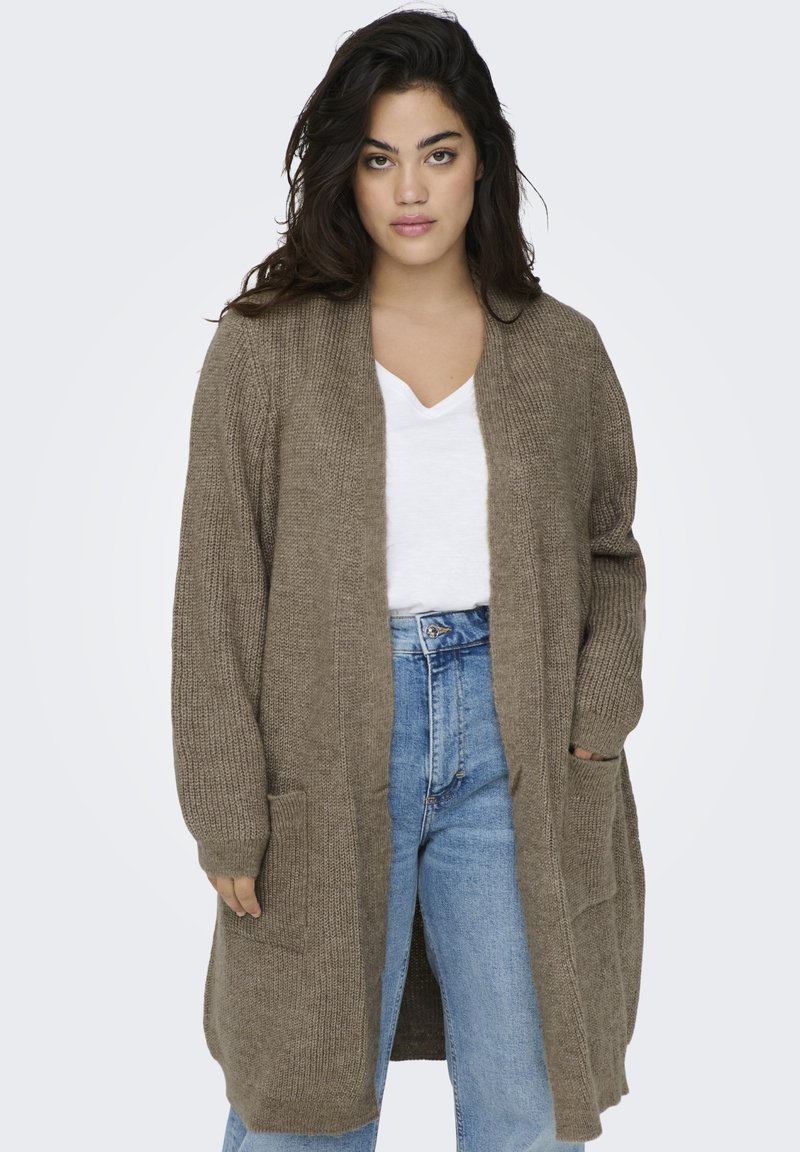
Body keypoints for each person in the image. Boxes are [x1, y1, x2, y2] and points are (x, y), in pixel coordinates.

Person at [171, 9, 647, 1152]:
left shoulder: (559, 350)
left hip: (515, 740)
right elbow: (215, 590)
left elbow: (610, 554)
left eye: (437, 152)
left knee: (528, 1099)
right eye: (379, 159)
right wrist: (225, 811)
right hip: (325, 745)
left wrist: (594, 726)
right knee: (299, 1095)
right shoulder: (264, 348)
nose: (411, 189)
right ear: (346, 172)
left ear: (481, 158)